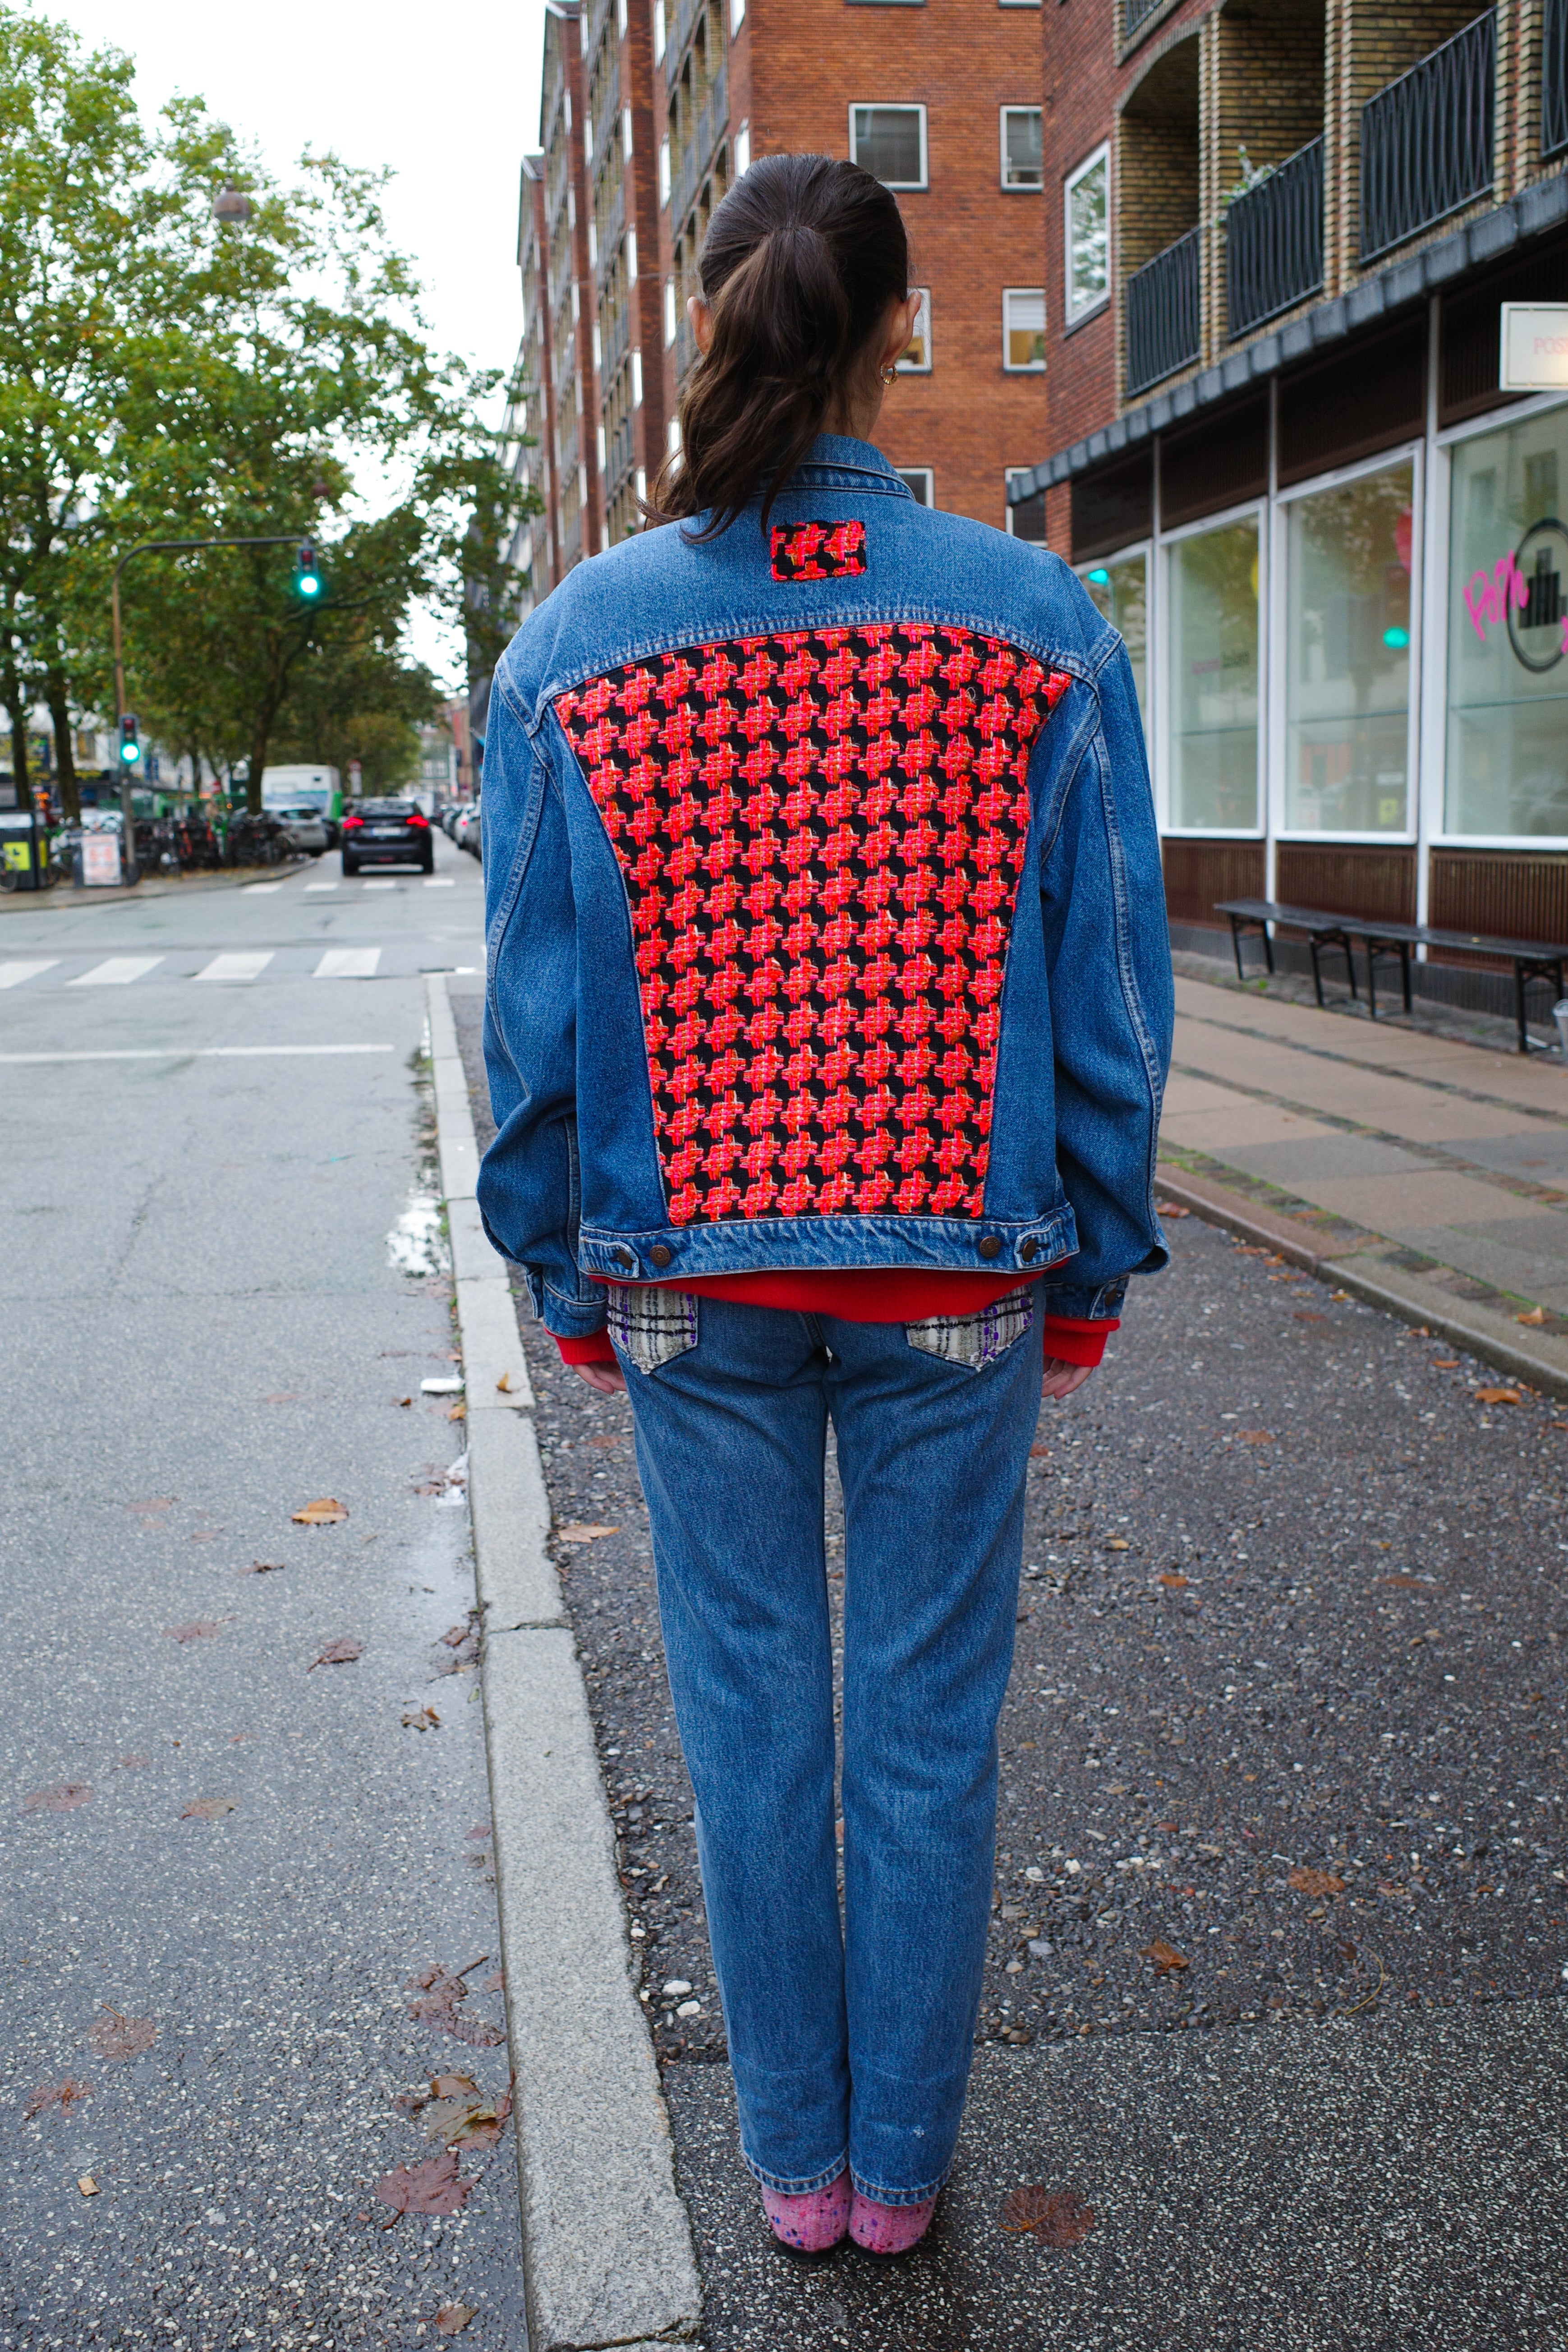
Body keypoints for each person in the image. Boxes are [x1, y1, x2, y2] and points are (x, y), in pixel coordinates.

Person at [478, 152, 1172, 2260]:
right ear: (895, 328)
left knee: (753, 1711)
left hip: (688, 1267)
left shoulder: (581, 640)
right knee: (929, 1721)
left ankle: (792, 2163)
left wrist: (562, 1260)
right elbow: (1106, 980)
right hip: (958, 1261)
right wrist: (1091, 1247)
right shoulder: (1032, 617)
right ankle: (900, 2173)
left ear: (709, 317)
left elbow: (538, 1004)